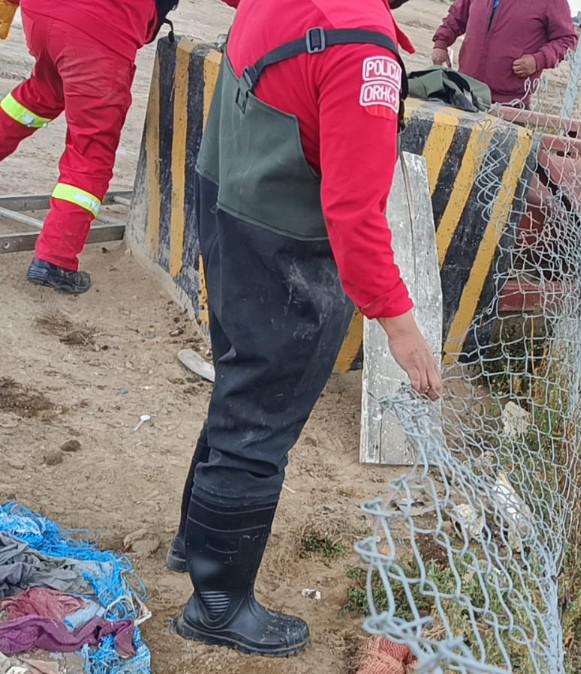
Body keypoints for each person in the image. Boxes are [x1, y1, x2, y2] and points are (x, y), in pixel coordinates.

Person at [163, 0, 442, 657]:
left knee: (240, 388)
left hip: (228, 203)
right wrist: (400, 326)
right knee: (262, 417)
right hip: (283, 244)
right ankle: (218, 605)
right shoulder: (365, 51)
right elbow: (355, 212)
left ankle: (193, 547)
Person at [0, 0, 190, 294]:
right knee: (92, 148)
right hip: (98, 26)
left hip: (43, 14)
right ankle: (56, 259)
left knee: (44, 90)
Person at [430, 0, 577, 108]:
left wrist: (537, 61)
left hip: (509, 104)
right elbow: (457, 17)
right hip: (465, 92)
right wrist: (441, 43)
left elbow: (567, 39)